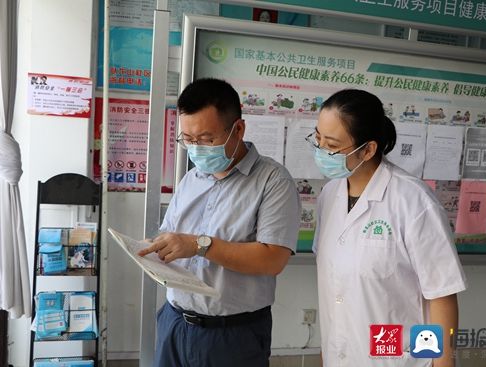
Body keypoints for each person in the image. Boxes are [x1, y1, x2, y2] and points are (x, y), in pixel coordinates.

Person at [138, 78, 301, 367]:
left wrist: (199, 245)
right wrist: (157, 247)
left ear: (237, 129)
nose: (196, 148)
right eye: (188, 140)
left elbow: (272, 259)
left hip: (232, 335)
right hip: (175, 322)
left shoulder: (273, 181)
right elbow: (170, 232)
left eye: (206, 139)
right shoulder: (191, 178)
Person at [308, 89, 467, 367]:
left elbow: (440, 295)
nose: (321, 151)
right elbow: (335, 288)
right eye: (318, 138)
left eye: (331, 145)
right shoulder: (329, 196)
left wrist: (442, 364)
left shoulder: (413, 201)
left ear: (368, 149)